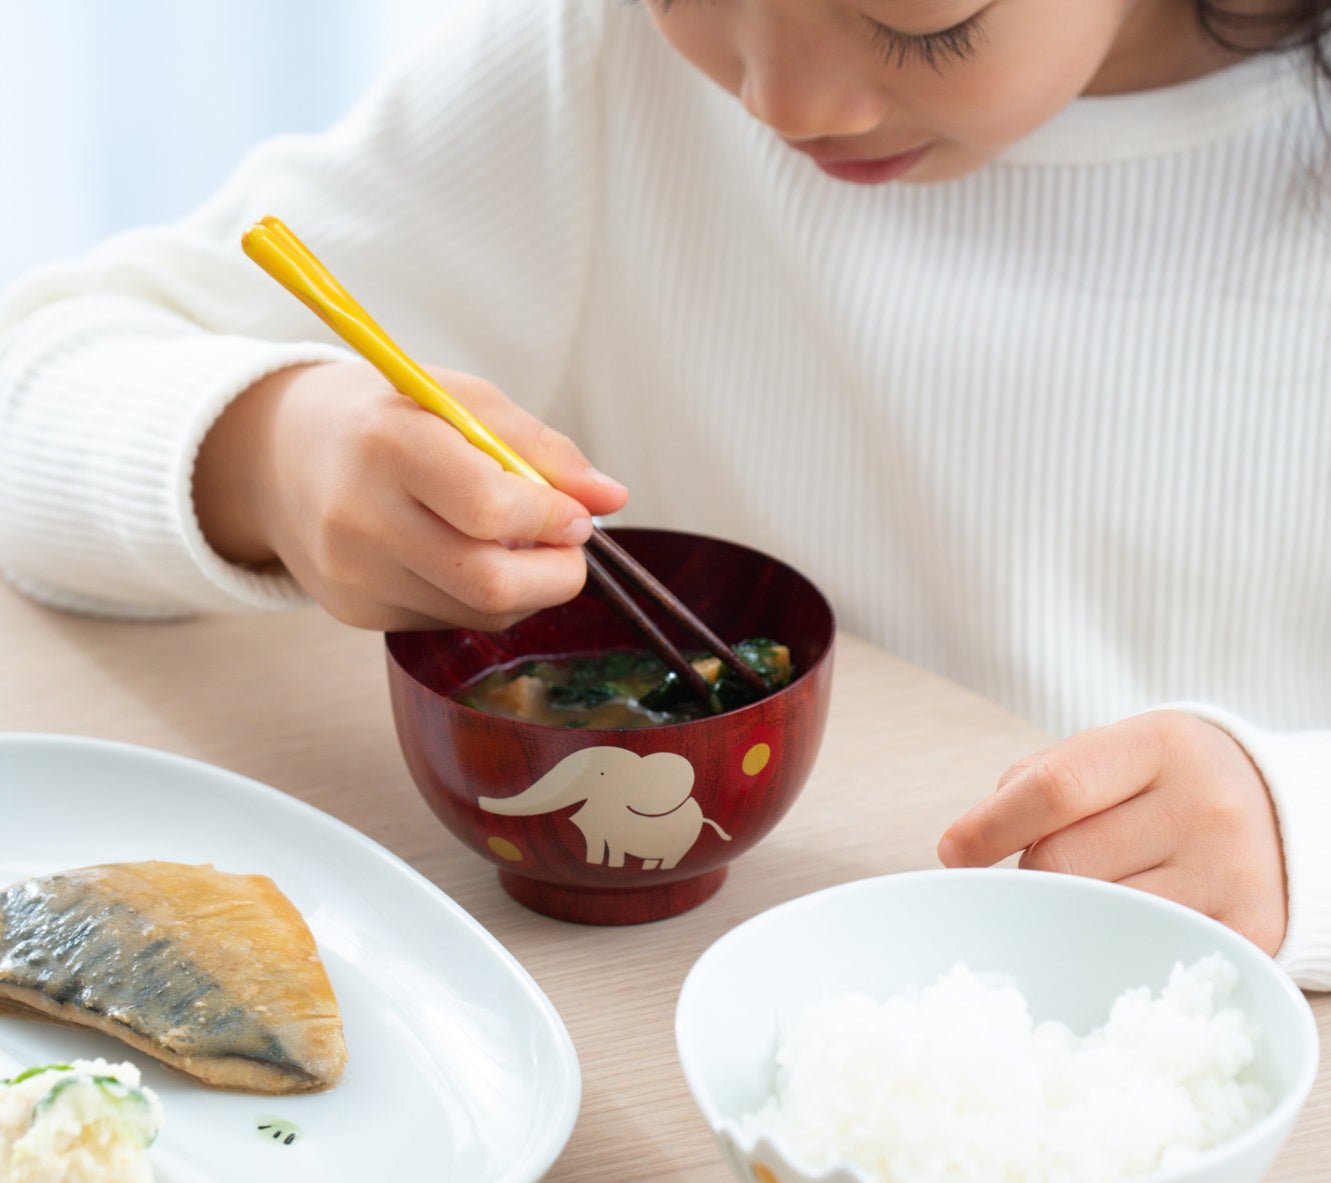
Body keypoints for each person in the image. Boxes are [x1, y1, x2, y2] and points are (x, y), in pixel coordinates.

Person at [1, 1, 1328, 988]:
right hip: (679, 1044)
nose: (784, 98)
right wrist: (272, 454)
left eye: (924, 24)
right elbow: (38, 385)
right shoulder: (601, 71)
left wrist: (1292, 826)